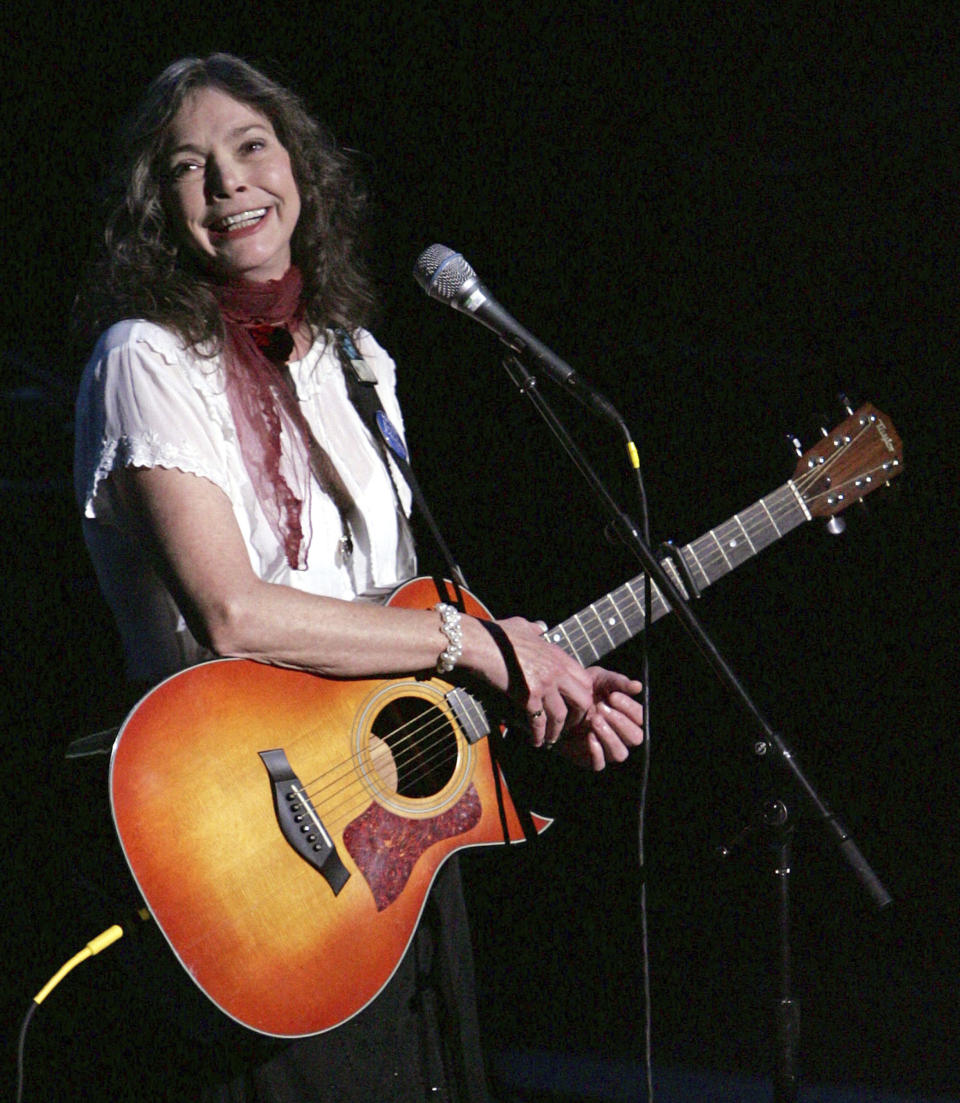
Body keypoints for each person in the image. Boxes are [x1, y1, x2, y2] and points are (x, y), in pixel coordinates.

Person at [72, 53, 644, 1102]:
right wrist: (477, 641)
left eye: (252, 147)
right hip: (243, 852)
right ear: (158, 210)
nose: (231, 183)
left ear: (301, 167)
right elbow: (234, 613)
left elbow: (392, 616)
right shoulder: (145, 357)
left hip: (382, 855)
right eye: (190, 167)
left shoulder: (359, 362)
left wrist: (517, 687)